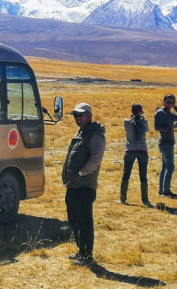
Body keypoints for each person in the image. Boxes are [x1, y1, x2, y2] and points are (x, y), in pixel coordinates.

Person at [62, 102, 105, 266]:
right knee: (74, 219)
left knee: (85, 222)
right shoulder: (81, 133)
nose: (78, 118)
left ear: (89, 115)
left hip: (85, 186)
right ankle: (81, 251)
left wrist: (82, 173)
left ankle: (87, 255)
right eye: (75, 116)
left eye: (81, 115)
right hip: (73, 185)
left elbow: (96, 159)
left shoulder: (95, 135)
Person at [154, 94, 177, 198]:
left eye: (172, 102)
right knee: (170, 167)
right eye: (168, 102)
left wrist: (176, 107)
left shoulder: (170, 113)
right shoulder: (160, 113)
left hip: (169, 142)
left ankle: (162, 190)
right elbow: (157, 127)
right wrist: (171, 127)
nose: (170, 104)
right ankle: (166, 191)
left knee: (165, 167)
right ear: (163, 102)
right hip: (165, 143)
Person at [119, 104, 153, 206]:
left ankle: (122, 198)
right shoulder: (144, 122)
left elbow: (130, 126)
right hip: (142, 150)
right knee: (143, 175)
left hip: (130, 150)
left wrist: (134, 120)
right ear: (141, 111)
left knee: (126, 174)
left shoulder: (126, 122)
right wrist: (141, 119)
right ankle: (145, 200)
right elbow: (145, 130)